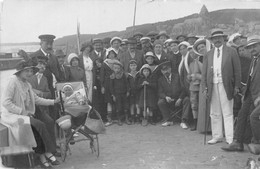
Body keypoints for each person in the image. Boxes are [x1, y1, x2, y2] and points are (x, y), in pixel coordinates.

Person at [1, 60, 60, 168]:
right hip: (12, 115)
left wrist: (53, 102)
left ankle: (42, 155)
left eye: (31, 71)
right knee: (39, 125)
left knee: (42, 124)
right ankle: (46, 153)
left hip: (24, 115)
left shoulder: (27, 84)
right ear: (20, 72)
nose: (30, 73)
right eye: (27, 71)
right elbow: (5, 102)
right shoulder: (12, 81)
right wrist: (22, 111)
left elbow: (36, 99)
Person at [201, 29, 241, 144]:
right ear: (212, 40)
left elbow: (237, 71)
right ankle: (217, 136)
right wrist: (204, 87)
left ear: (223, 39)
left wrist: (237, 86)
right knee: (214, 112)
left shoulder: (231, 51)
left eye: (219, 38)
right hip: (212, 85)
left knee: (228, 112)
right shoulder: (208, 54)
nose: (217, 40)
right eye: (214, 38)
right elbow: (204, 73)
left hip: (226, 85)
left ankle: (229, 138)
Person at [221, 35, 260, 153]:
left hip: (258, 94)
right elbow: (250, 77)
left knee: (253, 117)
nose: (252, 49)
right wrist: (245, 93)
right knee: (242, 115)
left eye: (255, 46)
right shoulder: (254, 59)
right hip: (250, 93)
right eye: (250, 47)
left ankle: (257, 143)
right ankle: (238, 142)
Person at [192, 38, 212, 133]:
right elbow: (195, 74)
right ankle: (205, 128)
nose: (201, 49)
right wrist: (204, 78)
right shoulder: (198, 60)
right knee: (204, 106)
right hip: (203, 85)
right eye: (199, 48)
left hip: (214, 84)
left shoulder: (212, 56)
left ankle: (214, 129)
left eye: (202, 47)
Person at [157, 61, 184, 127]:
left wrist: (180, 98)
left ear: (170, 69)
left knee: (187, 100)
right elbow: (160, 92)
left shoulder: (178, 77)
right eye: (164, 70)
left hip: (179, 99)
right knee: (160, 102)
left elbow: (184, 89)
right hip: (168, 100)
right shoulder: (160, 80)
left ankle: (184, 121)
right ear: (161, 71)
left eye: (167, 69)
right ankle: (168, 120)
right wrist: (165, 97)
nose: (166, 71)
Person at [101, 48, 119, 126]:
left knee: (116, 100)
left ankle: (116, 118)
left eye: (113, 54)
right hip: (107, 84)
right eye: (110, 54)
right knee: (109, 101)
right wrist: (102, 86)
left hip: (117, 83)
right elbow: (102, 75)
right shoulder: (104, 63)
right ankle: (109, 119)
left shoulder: (118, 63)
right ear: (107, 55)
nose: (111, 55)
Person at [187, 47, 203, 131]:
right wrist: (189, 77)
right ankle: (195, 122)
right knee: (194, 105)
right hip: (192, 87)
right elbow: (189, 74)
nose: (192, 55)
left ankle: (201, 123)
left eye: (193, 53)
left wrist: (197, 76)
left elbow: (204, 75)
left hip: (200, 87)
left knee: (201, 105)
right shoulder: (191, 64)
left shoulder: (200, 63)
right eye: (190, 54)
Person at [178, 41, 193, 129]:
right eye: (181, 49)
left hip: (190, 85)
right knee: (187, 100)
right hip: (184, 86)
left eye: (184, 49)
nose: (182, 51)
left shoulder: (189, 58)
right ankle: (185, 120)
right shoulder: (182, 59)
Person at [110, 61, 130, 125]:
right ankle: (119, 119)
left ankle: (126, 119)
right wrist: (113, 95)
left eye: (118, 68)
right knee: (119, 107)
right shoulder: (112, 76)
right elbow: (111, 87)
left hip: (124, 93)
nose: (117, 70)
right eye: (115, 68)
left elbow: (127, 84)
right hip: (117, 94)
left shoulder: (123, 75)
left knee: (126, 106)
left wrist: (128, 91)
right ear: (113, 69)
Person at [92, 58, 106, 122]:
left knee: (103, 102)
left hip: (103, 87)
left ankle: (104, 117)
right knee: (98, 102)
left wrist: (103, 86)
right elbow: (94, 78)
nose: (98, 64)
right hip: (97, 87)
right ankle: (99, 116)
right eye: (97, 63)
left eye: (99, 62)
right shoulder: (95, 69)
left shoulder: (104, 69)